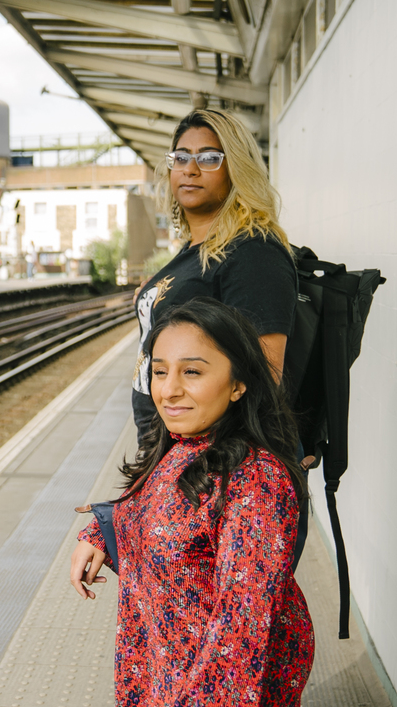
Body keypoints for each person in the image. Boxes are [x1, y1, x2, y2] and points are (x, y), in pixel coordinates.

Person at [71, 297, 313, 707]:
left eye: (192, 372)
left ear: (238, 384)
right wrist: (100, 532)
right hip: (164, 672)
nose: (169, 390)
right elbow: (161, 519)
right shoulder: (181, 448)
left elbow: (239, 636)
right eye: (160, 371)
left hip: (205, 697)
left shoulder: (255, 482)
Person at [129, 108, 308, 559]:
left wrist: (208, 482)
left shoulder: (252, 252)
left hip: (218, 477)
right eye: (181, 156)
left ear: (237, 168)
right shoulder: (195, 251)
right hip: (176, 458)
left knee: (222, 623)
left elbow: (265, 378)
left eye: (210, 158)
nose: (190, 168)